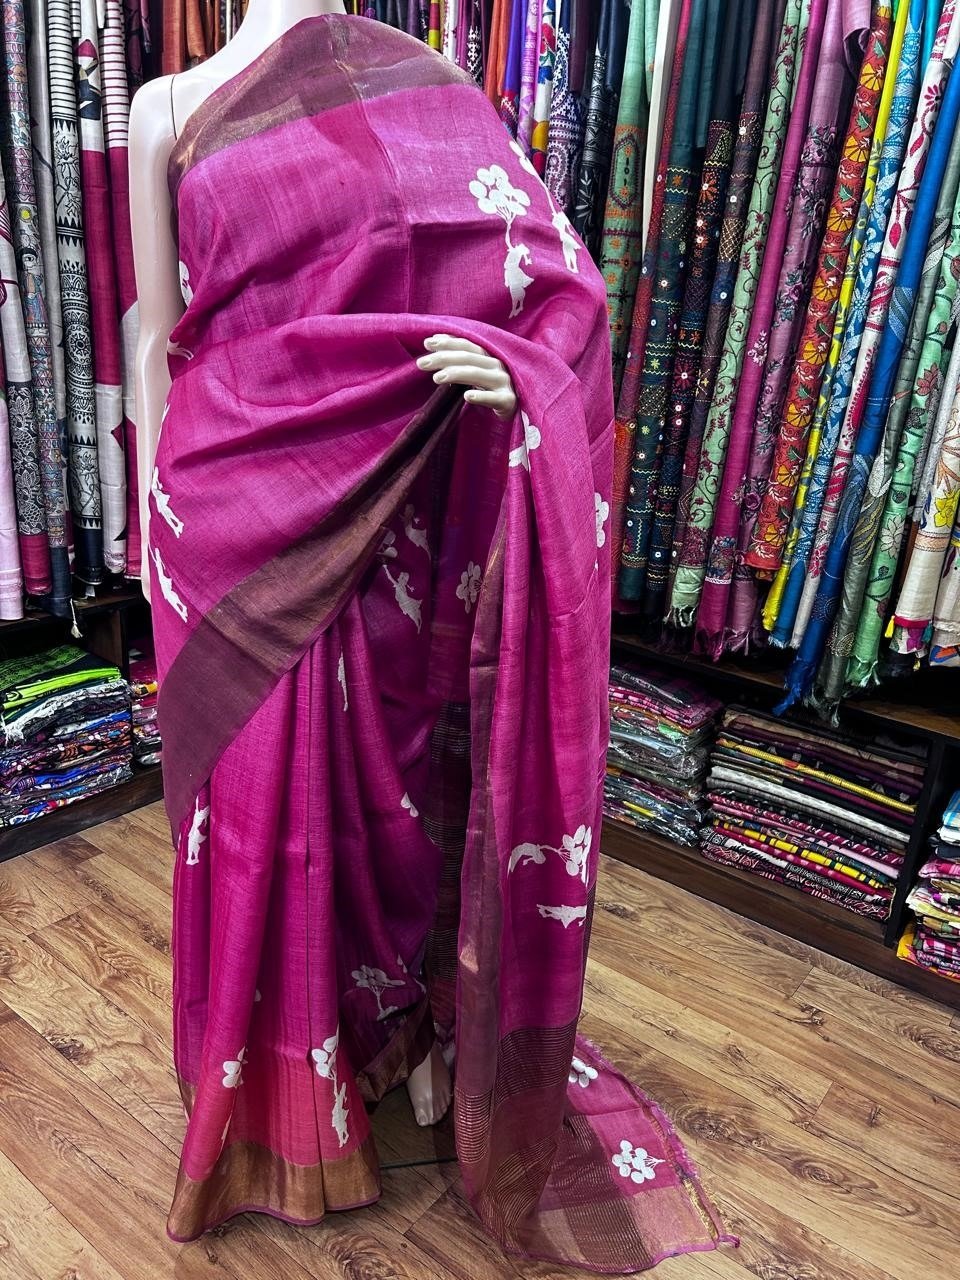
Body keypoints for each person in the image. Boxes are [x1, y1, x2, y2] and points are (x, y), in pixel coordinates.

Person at [129, 4, 728, 1270]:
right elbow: (150, 320)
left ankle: (388, 1031)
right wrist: (148, 506)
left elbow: (552, 276)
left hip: (375, 507)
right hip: (213, 508)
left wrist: (531, 372)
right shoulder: (165, 107)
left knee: (378, 803)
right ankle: (276, 1082)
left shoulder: (426, 81)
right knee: (246, 812)